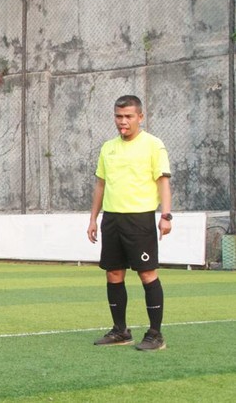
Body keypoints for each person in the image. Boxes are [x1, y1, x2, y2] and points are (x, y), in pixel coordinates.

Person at [87, 95, 172, 351]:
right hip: (112, 219)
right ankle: (120, 331)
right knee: (113, 274)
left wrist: (166, 215)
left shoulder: (153, 146)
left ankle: (155, 334)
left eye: (128, 117)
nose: (122, 122)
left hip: (140, 219)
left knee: (147, 274)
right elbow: (100, 184)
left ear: (140, 117)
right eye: (118, 116)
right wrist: (93, 218)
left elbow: (163, 182)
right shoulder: (107, 148)